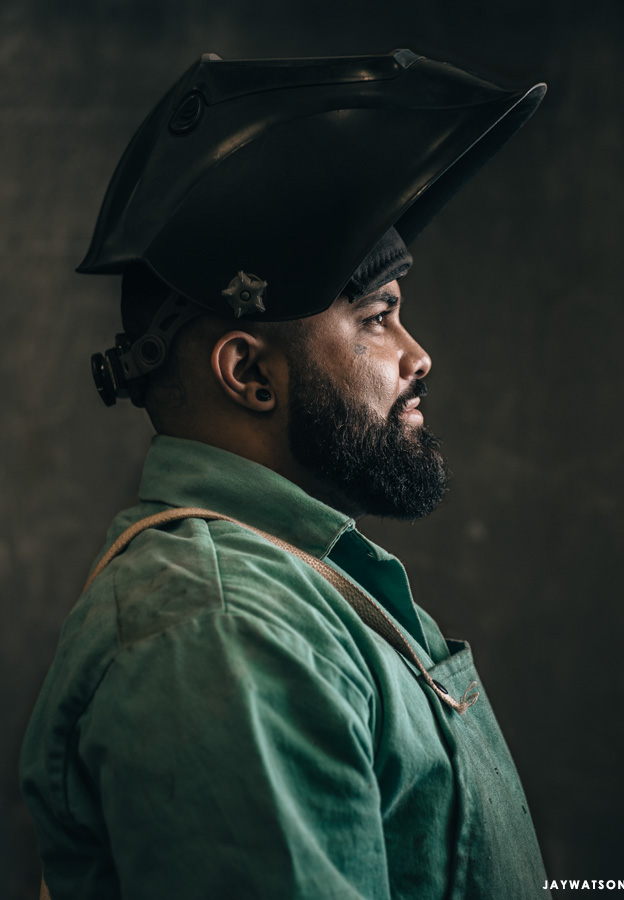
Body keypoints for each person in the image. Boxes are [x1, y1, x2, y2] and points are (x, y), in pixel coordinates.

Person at [21, 50, 550, 899]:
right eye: (376, 317)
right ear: (248, 374)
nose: (418, 355)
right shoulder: (226, 631)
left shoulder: (295, 589)